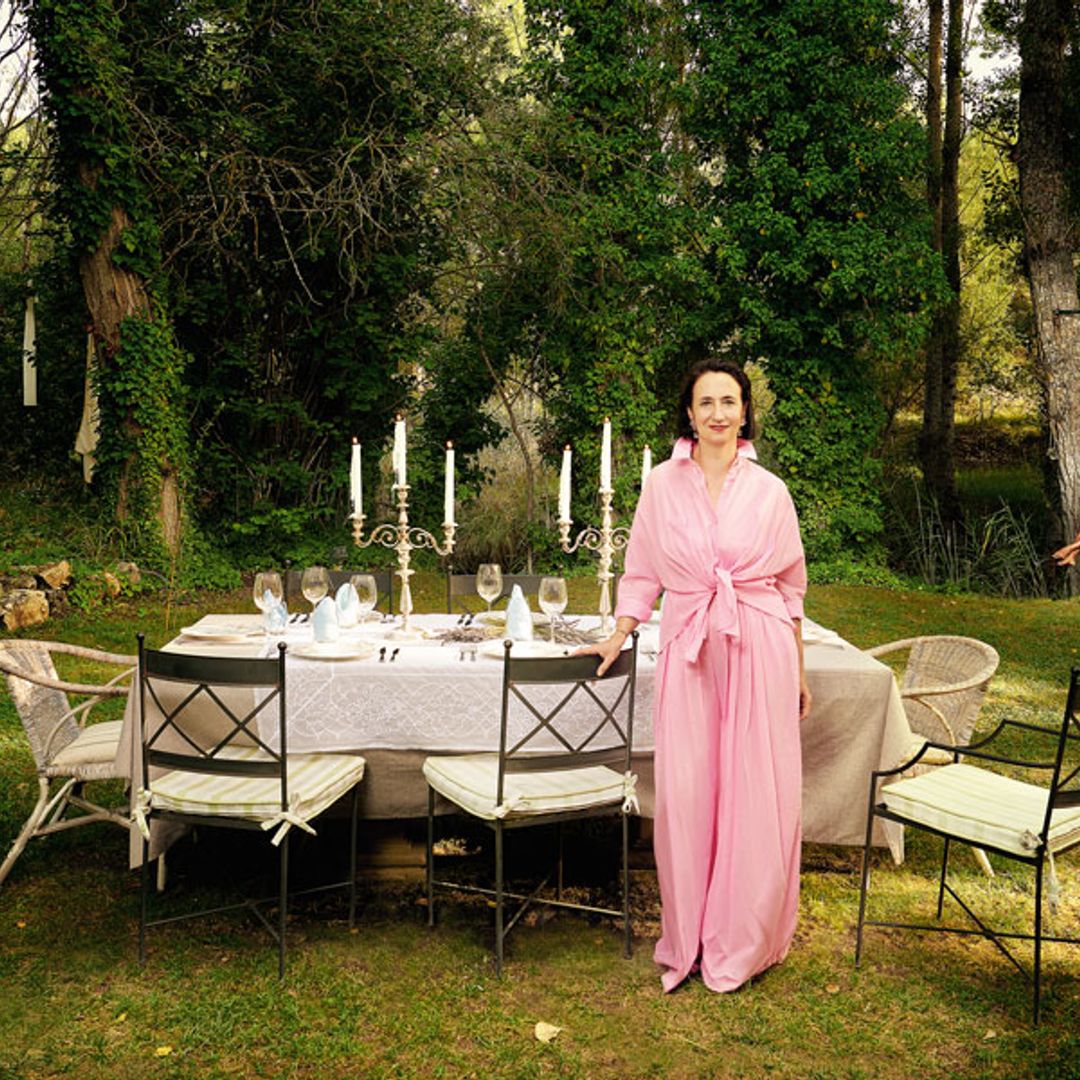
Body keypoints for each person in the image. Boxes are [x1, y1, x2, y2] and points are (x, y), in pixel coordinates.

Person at [581, 357, 811, 993]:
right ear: (689, 411)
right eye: (705, 402)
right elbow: (642, 571)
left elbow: (791, 588)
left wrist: (797, 668)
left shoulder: (771, 492)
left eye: (728, 402)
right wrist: (620, 630)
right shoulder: (660, 484)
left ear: (744, 412)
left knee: (753, 794)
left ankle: (743, 937)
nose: (717, 413)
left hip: (758, 643)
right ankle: (688, 937)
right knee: (688, 793)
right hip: (689, 648)